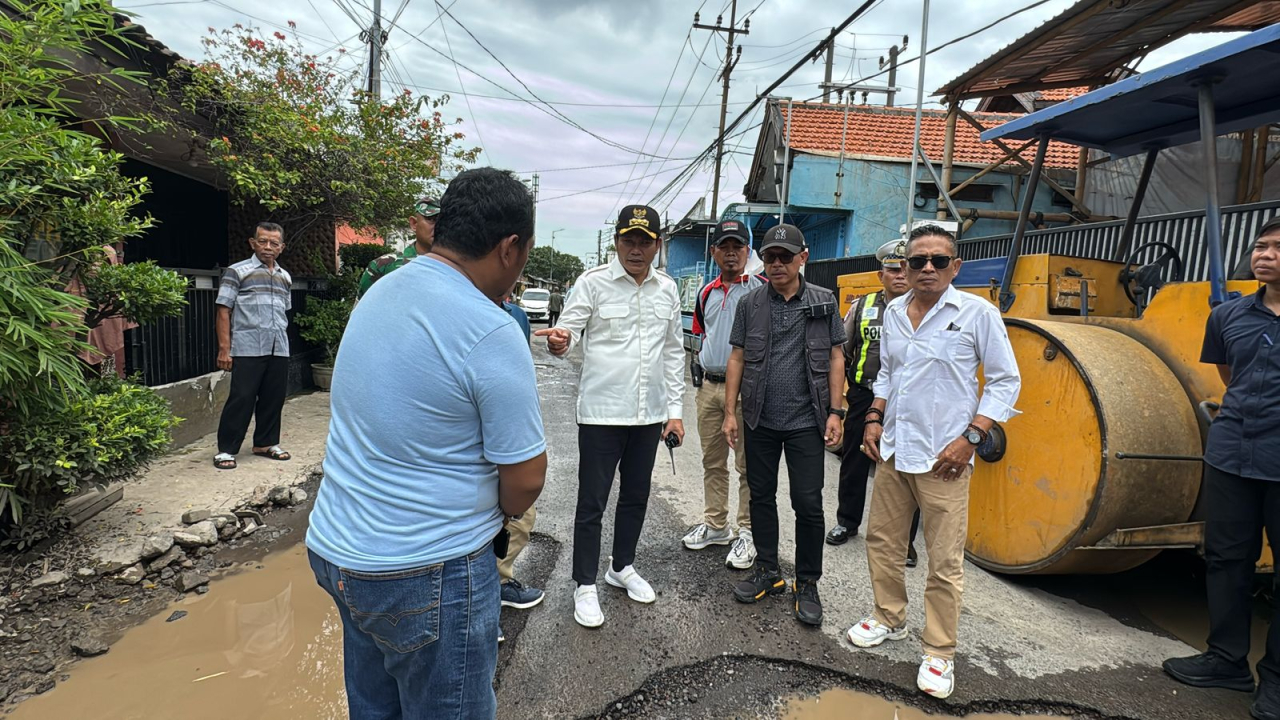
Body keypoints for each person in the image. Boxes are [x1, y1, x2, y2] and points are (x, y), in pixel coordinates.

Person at [305, 168, 546, 719]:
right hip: (425, 571)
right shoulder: (489, 326)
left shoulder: (382, 288)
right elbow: (525, 480)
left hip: (337, 552)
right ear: (511, 247)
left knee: (375, 709)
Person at [847, 224, 1021, 700]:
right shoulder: (896, 313)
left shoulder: (976, 314)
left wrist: (972, 437)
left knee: (944, 559)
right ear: (904, 267)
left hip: (946, 459)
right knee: (883, 541)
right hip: (895, 450)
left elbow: (1006, 381)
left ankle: (940, 652)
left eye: (937, 261)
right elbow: (887, 373)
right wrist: (874, 417)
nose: (926, 268)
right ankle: (888, 617)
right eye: (917, 261)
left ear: (954, 267)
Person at [535, 204, 685, 629]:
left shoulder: (667, 290)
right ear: (616, 242)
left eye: (644, 241)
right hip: (602, 413)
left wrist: (674, 413)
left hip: (649, 414)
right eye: (628, 240)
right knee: (592, 502)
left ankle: (621, 567)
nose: (635, 249)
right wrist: (560, 343)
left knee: (636, 497)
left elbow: (673, 352)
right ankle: (584, 583)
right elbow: (567, 334)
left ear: (657, 245)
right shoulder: (593, 283)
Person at [1164, 217, 1280, 720]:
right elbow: (1231, 375)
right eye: (1261, 245)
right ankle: (1228, 659)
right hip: (1233, 453)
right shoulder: (1229, 315)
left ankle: (1275, 679)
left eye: (1278, 247)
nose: (1266, 254)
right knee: (1227, 558)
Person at [722, 223, 846, 627]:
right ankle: (769, 571)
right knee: (761, 497)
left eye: (785, 257)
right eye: (770, 257)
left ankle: (807, 582)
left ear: (802, 258)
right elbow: (738, 357)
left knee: (808, 504)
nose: (776, 264)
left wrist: (835, 411)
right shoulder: (751, 303)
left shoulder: (824, 301)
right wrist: (729, 412)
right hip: (759, 418)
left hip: (806, 422)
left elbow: (835, 358)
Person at [827, 240, 921, 569]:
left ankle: (904, 542)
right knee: (853, 460)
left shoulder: (923, 309)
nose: (898, 275)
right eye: (892, 269)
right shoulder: (863, 306)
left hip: (907, 398)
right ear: (881, 274)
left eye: (903, 268)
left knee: (905, 466)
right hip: (865, 394)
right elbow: (843, 348)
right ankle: (847, 522)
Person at [683, 219, 765, 569]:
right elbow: (702, 335)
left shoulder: (762, 290)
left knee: (749, 465)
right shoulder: (706, 293)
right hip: (710, 387)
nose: (731, 253)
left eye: (738, 247)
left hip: (748, 391)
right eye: (724, 247)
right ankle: (717, 524)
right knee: (712, 461)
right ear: (713, 252)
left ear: (748, 251)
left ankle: (747, 531)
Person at [213, 222, 293, 471]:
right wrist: (224, 349)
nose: (268, 247)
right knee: (242, 397)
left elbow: (284, 312)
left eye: (274, 243)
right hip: (247, 347)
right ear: (252, 243)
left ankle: (265, 443)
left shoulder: (285, 277)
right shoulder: (238, 272)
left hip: (278, 346)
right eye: (263, 241)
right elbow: (223, 310)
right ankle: (226, 449)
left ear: (281, 247)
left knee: (273, 397)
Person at [357, 196, 439, 299]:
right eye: (432, 220)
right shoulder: (383, 266)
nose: (439, 226)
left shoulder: (457, 268)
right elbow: (363, 311)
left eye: (444, 221)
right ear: (414, 223)